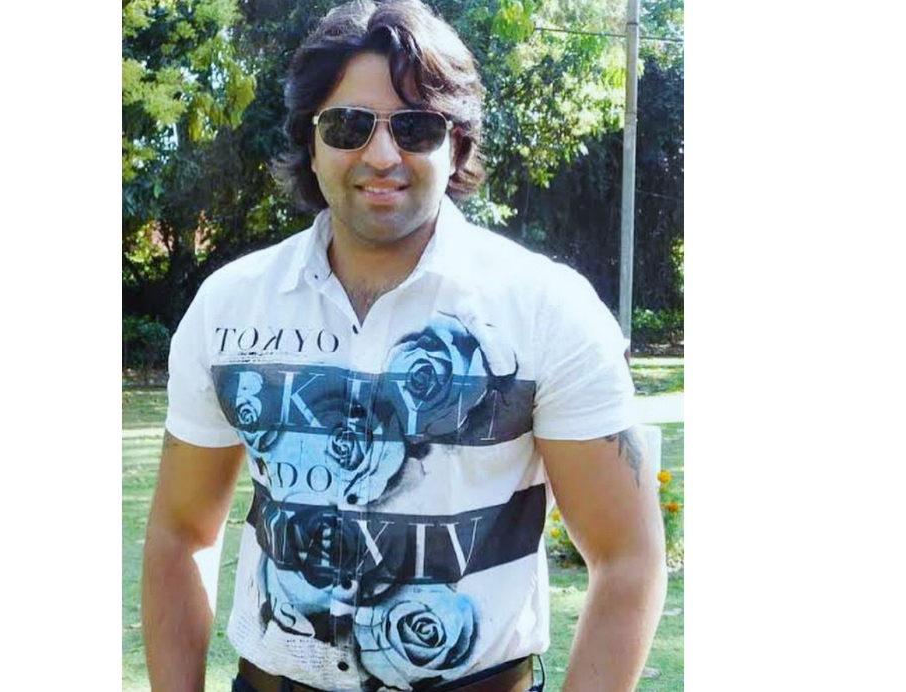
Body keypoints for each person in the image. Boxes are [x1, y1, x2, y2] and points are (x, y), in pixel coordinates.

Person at [141, 1, 667, 691]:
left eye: (416, 127)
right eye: (348, 125)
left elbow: (626, 558)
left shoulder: (545, 309)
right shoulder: (230, 306)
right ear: (310, 142)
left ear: (456, 145)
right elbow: (180, 535)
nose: (382, 155)